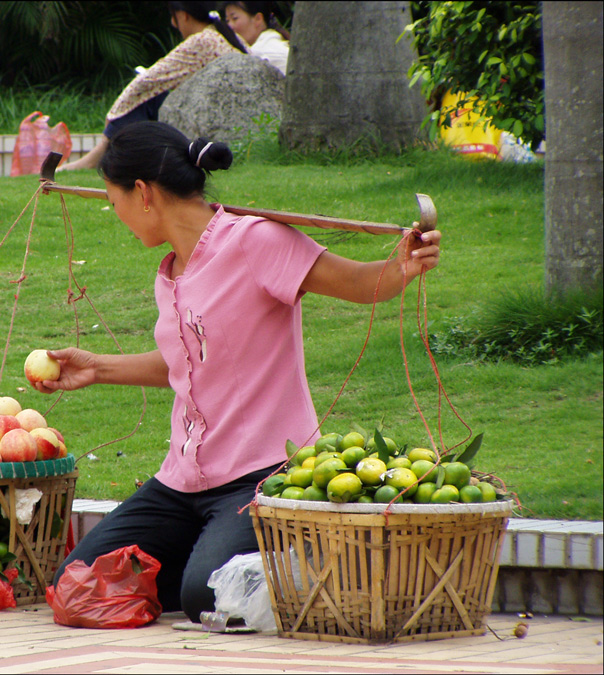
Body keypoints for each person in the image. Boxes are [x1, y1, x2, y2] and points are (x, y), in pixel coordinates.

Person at [39, 121, 442, 623]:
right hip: (180, 483)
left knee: (206, 599)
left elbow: (360, 283)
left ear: (142, 193)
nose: (113, 212)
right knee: (77, 583)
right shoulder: (172, 271)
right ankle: (209, 556)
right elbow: (187, 364)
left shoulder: (256, 242)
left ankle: (309, 555)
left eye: (112, 199)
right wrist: (97, 368)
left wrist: (402, 265)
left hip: (259, 475)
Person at [58, 2, 247, 172]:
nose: (174, 24)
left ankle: (101, 152)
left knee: (150, 94)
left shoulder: (202, 40)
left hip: (211, 115)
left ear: (182, 15)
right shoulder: (226, 36)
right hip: (224, 111)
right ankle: (104, 151)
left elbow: (149, 79)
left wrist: (114, 113)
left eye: (173, 17)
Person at [222, 1, 290, 75]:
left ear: (258, 19)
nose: (229, 26)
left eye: (235, 18)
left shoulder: (259, 53)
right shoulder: (274, 39)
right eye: (227, 21)